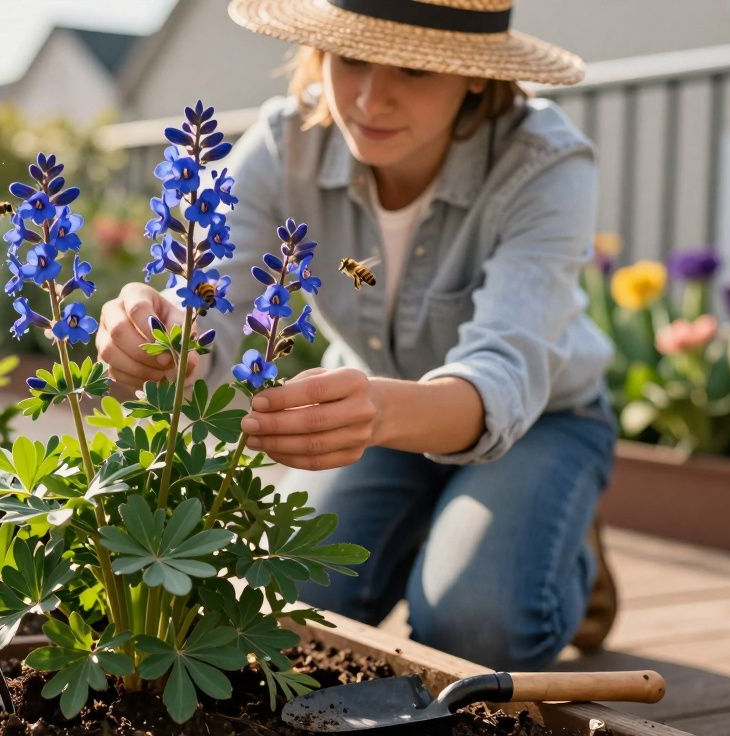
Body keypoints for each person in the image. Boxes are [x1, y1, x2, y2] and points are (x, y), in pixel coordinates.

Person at [95, 0, 619, 671]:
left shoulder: (545, 161)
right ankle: (458, 524)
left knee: (474, 625)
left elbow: (506, 369)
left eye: (413, 68)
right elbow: (212, 301)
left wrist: (378, 414)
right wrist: (161, 333)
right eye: (353, 58)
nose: (372, 98)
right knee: (287, 598)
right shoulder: (287, 143)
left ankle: (559, 548)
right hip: (373, 421)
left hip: (538, 422)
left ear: (477, 75)